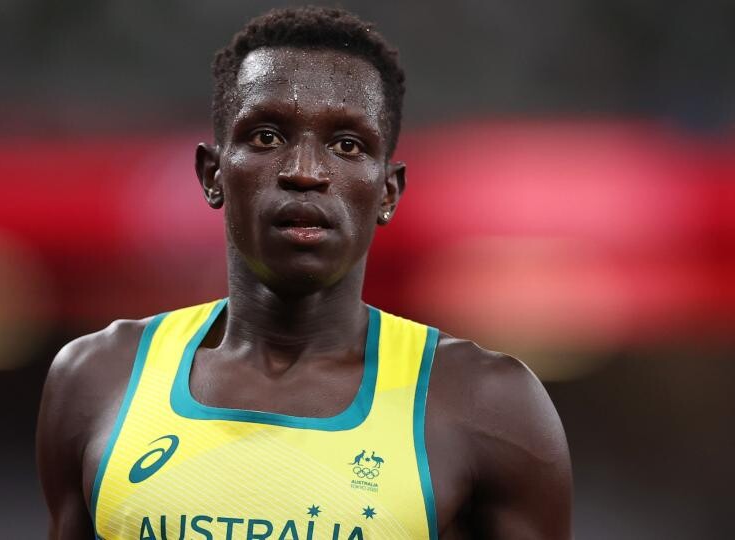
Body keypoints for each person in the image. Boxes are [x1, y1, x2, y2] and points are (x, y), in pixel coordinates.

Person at [37, 6, 572, 539]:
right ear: (212, 175)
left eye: (347, 145)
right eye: (267, 137)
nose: (304, 172)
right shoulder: (96, 378)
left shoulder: (486, 404)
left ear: (387, 192)